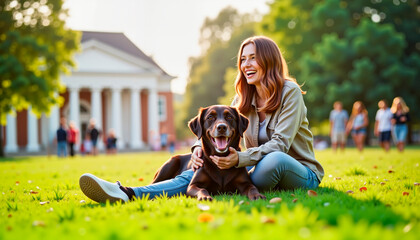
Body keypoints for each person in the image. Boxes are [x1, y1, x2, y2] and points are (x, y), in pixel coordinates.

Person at [79, 36, 324, 203]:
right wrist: (197, 149)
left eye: (253, 58)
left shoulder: (289, 92)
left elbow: (281, 144)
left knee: (274, 159)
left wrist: (238, 159)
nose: (246, 64)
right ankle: (128, 192)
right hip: (253, 169)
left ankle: (239, 183)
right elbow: (214, 127)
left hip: (296, 169)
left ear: (268, 60)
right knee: (199, 169)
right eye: (243, 59)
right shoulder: (242, 99)